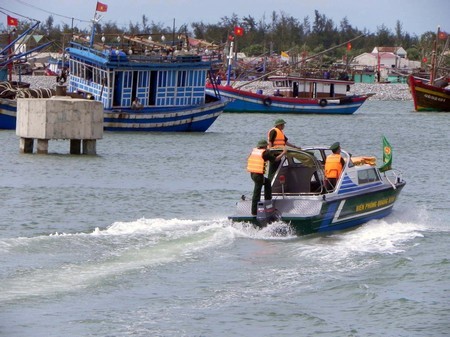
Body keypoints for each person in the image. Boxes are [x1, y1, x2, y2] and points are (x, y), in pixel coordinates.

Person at [247, 139, 287, 216]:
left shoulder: (254, 151)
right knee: (257, 193)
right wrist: (283, 153)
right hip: (258, 176)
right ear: (265, 146)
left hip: (252, 174)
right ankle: (254, 211)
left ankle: (268, 202)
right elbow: (275, 159)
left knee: (267, 182)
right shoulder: (265, 153)